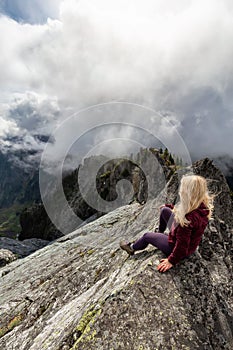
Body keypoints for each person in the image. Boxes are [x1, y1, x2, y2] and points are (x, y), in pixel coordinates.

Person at [120, 174, 214, 273]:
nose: (180, 191)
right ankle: (160, 231)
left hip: (174, 246)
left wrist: (171, 261)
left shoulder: (187, 220)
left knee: (147, 236)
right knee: (165, 210)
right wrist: (169, 206)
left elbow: (182, 245)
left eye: (182, 189)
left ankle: (131, 248)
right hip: (187, 241)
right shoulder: (202, 208)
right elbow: (182, 215)